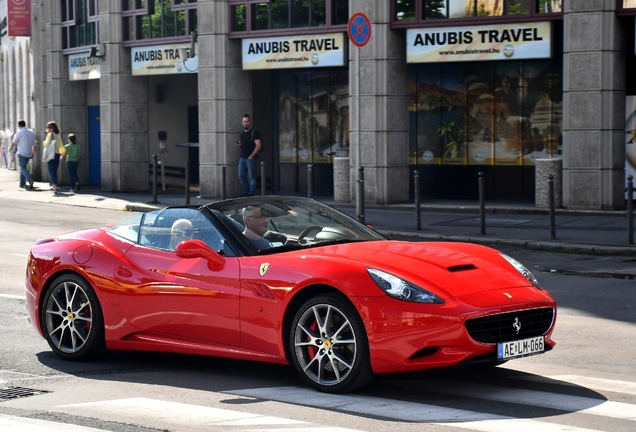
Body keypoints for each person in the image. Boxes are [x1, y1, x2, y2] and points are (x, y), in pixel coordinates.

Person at [235, 114, 261, 196]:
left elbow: (258, 145)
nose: (246, 123)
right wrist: (240, 144)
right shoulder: (242, 132)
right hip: (242, 157)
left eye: (247, 121)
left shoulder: (254, 132)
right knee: (241, 175)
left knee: (252, 176)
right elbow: (244, 143)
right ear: (242, 122)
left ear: (250, 122)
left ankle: (251, 193)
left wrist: (252, 155)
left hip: (251, 158)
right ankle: (246, 191)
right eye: (244, 122)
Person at [9, 120, 36, 190]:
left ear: (19, 126)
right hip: (29, 153)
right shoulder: (31, 132)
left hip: (21, 152)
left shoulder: (19, 132)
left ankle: (30, 180)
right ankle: (22, 183)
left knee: (22, 168)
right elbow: (34, 144)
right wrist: (33, 153)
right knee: (23, 168)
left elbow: (14, 141)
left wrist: (10, 148)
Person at [43, 121, 64, 192]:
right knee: (54, 171)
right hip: (57, 154)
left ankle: (54, 185)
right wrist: (62, 154)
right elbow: (61, 146)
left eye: (49, 127)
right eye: (47, 127)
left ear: (52, 128)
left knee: (51, 171)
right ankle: (55, 185)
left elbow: (47, 143)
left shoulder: (50, 134)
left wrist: (44, 142)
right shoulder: (58, 135)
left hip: (51, 154)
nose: (48, 128)